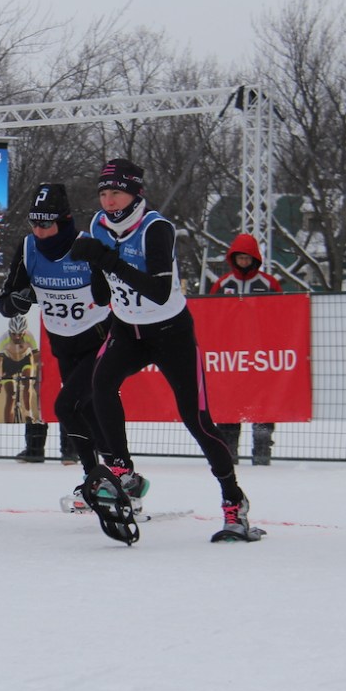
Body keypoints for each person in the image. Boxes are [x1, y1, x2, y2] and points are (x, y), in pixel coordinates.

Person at [70, 158, 260, 542]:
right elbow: (102, 294)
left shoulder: (156, 228)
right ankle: (123, 471)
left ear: (135, 193)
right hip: (127, 329)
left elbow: (157, 290)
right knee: (100, 386)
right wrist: (92, 265)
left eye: (116, 192)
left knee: (198, 420)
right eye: (103, 193)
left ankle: (233, 501)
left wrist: (106, 258)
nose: (108, 200)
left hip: (170, 331)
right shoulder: (97, 226)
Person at [0, 183, 112, 484]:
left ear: (63, 221)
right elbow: (5, 304)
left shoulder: (86, 245)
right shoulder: (28, 248)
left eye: (45, 223)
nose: (38, 230)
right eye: (33, 222)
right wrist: (17, 302)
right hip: (63, 344)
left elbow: (105, 297)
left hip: (99, 340)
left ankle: (97, 478)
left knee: (67, 406)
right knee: (86, 410)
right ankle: (116, 475)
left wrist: (99, 271)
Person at [212, 233, 283, 466]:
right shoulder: (222, 284)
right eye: (239, 258)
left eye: (247, 258)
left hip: (260, 355)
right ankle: (228, 449)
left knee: (262, 402)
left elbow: (281, 314)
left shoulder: (268, 283)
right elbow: (211, 314)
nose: (243, 262)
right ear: (233, 259)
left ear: (255, 259)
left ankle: (262, 449)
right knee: (229, 403)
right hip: (231, 356)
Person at [0, 315, 43, 458]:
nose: (16, 336)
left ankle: (28, 414)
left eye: (20, 334)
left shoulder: (29, 337)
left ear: (24, 332)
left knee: (27, 384)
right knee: (11, 395)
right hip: (9, 363)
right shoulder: (3, 339)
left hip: (25, 361)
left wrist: (38, 373)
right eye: (13, 334)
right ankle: (8, 427)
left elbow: (37, 357)